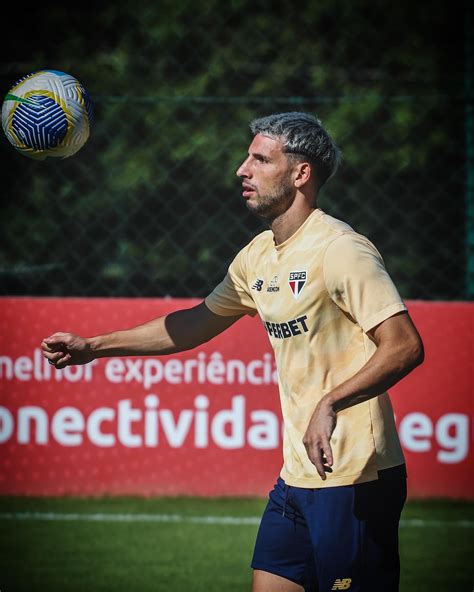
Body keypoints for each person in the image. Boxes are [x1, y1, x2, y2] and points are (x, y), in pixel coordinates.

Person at [41, 112, 424, 592]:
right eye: (248, 157)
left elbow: (405, 346)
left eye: (260, 159)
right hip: (296, 477)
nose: (242, 170)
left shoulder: (341, 250)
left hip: (356, 477)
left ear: (301, 173)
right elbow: (193, 324)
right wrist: (94, 347)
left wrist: (331, 402)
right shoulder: (257, 256)